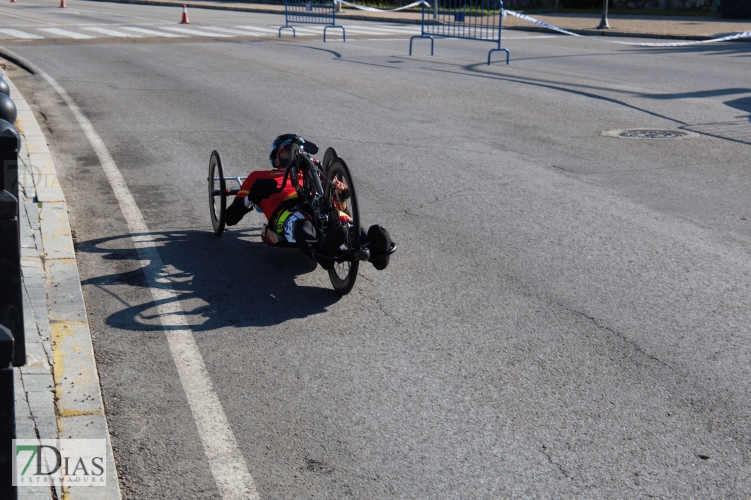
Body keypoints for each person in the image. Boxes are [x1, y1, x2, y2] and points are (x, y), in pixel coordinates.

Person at [225, 134, 392, 271]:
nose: (294, 156)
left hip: (320, 206)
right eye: (287, 152)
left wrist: (339, 194)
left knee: (347, 223)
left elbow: (341, 203)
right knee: (302, 223)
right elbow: (230, 218)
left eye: (299, 152)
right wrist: (252, 196)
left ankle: (377, 253)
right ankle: (321, 252)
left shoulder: (315, 175)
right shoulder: (258, 177)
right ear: (275, 159)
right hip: (287, 211)